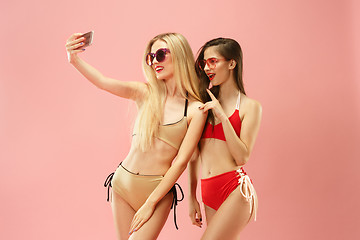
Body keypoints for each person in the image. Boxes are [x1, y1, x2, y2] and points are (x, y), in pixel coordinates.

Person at [65, 32, 207, 240]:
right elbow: (102, 82)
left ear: (179, 55)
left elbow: (182, 162)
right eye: (150, 57)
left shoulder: (196, 110)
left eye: (160, 54)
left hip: (157, 192)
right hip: (122, 184)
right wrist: (74, 60)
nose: (154, 62)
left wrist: (151, 203)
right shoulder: (144, 93)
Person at [188, 38, 262, 240]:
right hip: (207, 189)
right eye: (204, 63)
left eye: (213, 61)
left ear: (232, 63)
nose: (206, 68)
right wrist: (191, 196)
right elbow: (193, 155)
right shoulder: (201, 103)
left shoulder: (250, 107)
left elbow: (242, 157)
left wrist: (222, 116)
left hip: (235, 189)